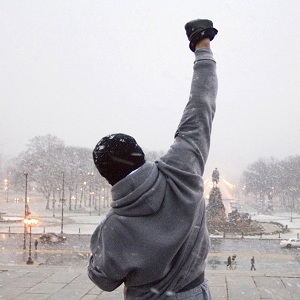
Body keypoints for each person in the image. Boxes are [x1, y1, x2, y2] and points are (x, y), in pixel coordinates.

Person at [88, 18, 218, 299]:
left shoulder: (115, 226)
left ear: (107, 176)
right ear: (140, 154)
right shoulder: (181, 170)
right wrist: (202, 47)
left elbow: (103, 279)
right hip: (195, 292)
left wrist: (99, 243)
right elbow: (201, 106)